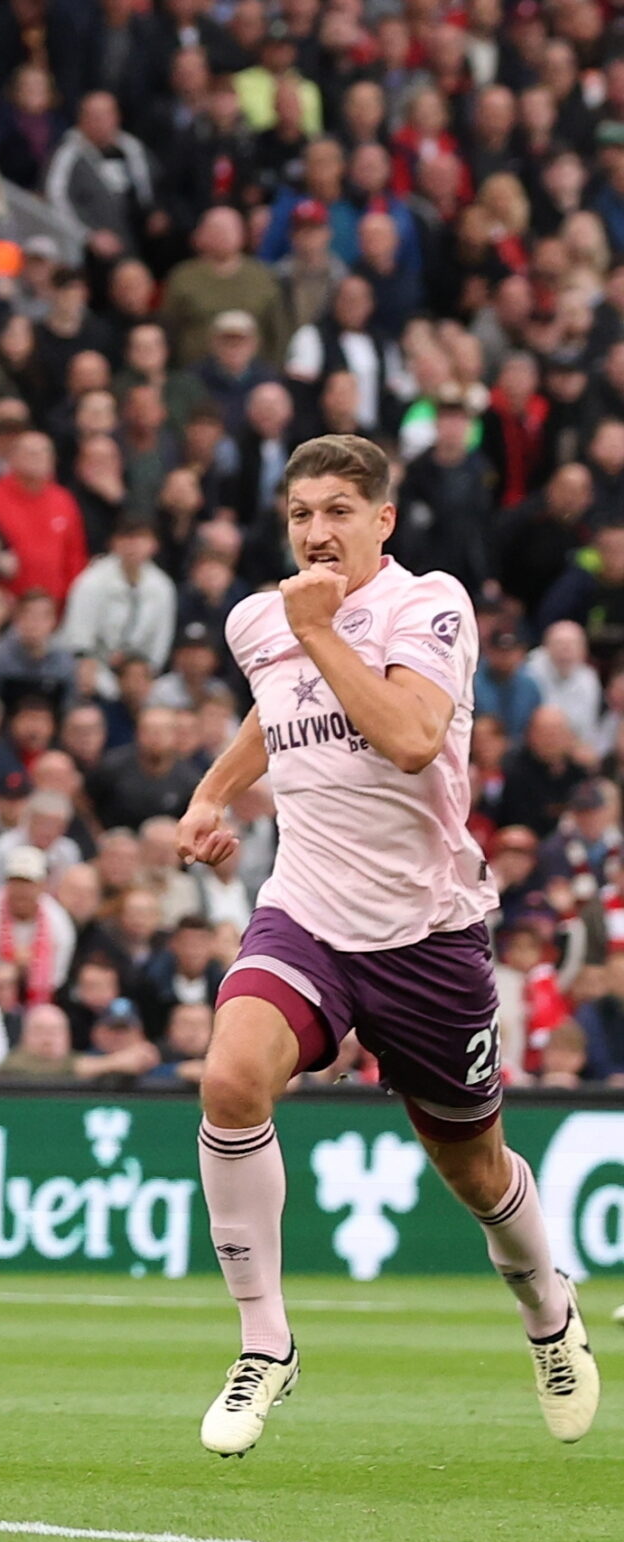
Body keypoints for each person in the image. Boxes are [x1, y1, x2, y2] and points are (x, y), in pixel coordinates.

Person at [176, 433, 598, 1458]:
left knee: (474, 1170)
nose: (315, 533)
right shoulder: (263, 620)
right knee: (230, 1079)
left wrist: (319, 632)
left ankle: (547, 1309)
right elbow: (276, 709)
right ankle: (263, 1343)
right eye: (299, 515)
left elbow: (408, 739)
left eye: (334, 512)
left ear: (380, 521)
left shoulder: (430, 605)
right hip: (306, 911)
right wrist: (211, 791)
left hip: (425, 933)